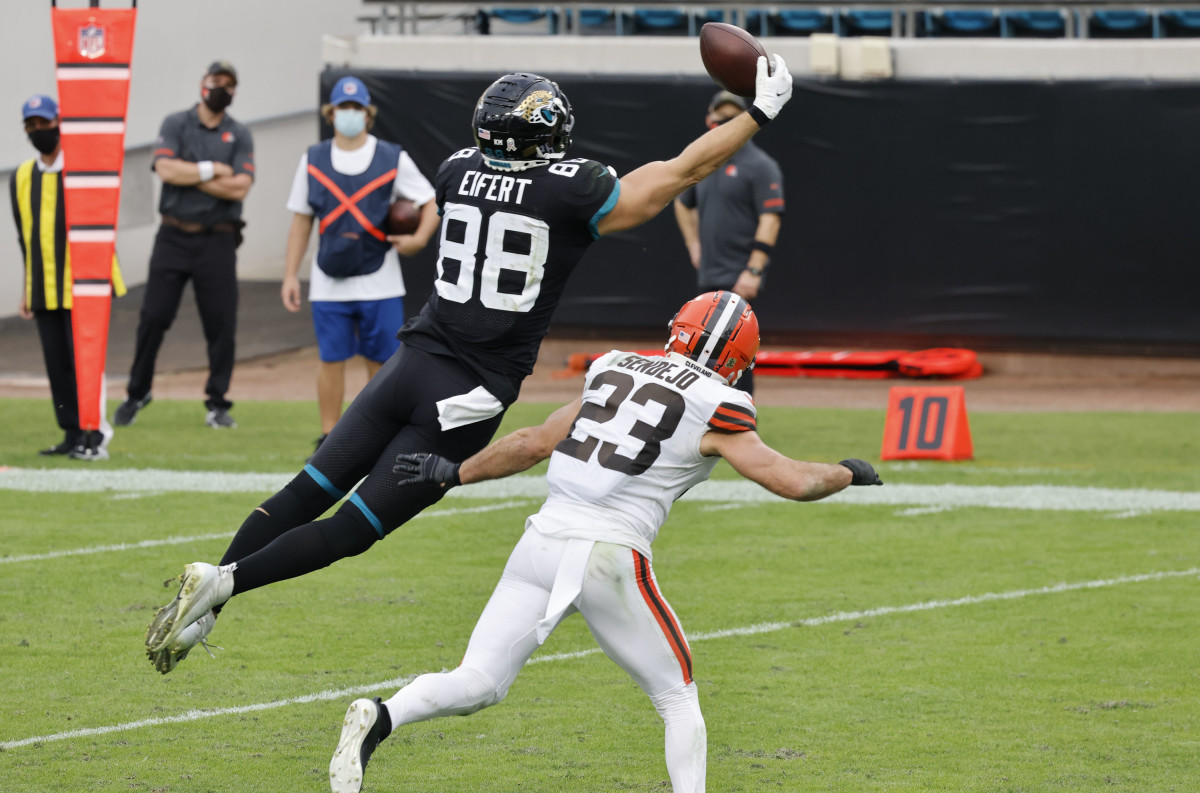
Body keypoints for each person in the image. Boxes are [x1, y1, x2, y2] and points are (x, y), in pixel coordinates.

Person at [143, 56, 795, 675]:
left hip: (409, 362)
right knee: (352, 528)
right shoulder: (574, 188)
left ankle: (210, 597)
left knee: (306, 491)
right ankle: (225, 581)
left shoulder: (455, 169)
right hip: (467, 393)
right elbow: (680, 172)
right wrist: (758, 113)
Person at [328, 291, 883, 793]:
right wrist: (847, 473)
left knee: (479, 681)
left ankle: (383, 715)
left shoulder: (614, 367)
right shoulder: (716, 402)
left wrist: (454, 472)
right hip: (608, 552)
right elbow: (791, 480)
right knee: (677, 697)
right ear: (740, 361)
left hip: (541, 540)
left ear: (677, 330)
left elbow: (533, 442)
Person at [281, 76, 440, 457]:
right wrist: (290, 275)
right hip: (328, 279)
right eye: (343, 107)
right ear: (331, 113)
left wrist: (419, 240)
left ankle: (379, 436)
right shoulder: (313, 159)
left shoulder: (392, 157)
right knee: (330, 359)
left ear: (367, 114)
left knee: (382, 362)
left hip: (379, 279)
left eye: (356, 108)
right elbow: (301, 220)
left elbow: (431, 200)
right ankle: (328, 438)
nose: (349, 114)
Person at [113, 61, 254, 430]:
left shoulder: (239, 134)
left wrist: (189, 173)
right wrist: (213, 169)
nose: (221, 88)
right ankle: (137, 393)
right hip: (173, 237)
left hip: (218, 239)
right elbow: (165, 169)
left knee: (221, 323)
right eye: (216, 81)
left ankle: (217, 403)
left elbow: (240, 186)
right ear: (202, 82)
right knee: (153, 317)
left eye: (228, 84)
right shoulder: (176, 123)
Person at [10, 93, 125, 460]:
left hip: (85, 285)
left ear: (59, 123)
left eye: (44, 123)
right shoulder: (22, 176)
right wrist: (27, 287)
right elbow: (25, 236)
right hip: (44, 286)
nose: (38, 130)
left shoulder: (83, 170)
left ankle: (96, 434)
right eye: (32, 125)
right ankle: (72, 433)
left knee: (86, 364)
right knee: (58, 366)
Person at [673, 90, 785, 395]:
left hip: (739, 275)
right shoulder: (705, 163)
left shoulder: (759, 165)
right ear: (709, 119)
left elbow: (771, 218)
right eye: (719, 117)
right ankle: (702, 418)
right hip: (709, 274)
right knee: (700, 355)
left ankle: (739, 418)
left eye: (731, 118)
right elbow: (682, 202)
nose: (723, 123)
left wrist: (754, 270)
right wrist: (693, 243)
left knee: (735, 356)